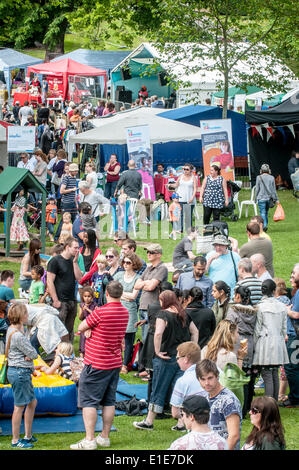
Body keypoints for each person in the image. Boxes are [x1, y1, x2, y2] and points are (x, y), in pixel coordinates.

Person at [70, 281, 129, 450]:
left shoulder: (100, 312)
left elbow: (81, 326)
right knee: (109, 401)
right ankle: (104, 437)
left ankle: (89, 440)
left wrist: (89, 330)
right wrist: (91, 330)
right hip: (114, 362)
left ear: (106, 294)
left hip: (96, 363)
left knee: (89, 401)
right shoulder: (125, 312)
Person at [133, 290, 198, 430]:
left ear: (164, 300)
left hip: (165, 357)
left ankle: (149, 421)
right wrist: (192, 350)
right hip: (182, 359)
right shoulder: (184, 314)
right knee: (179, 390)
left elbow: (158, 334)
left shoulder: (163, 314)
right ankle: (182, 423)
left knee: (158, 388)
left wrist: (156, 351)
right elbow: (195, 332)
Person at [6, 303, 39, 448]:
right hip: (20, 372)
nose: (27, 315)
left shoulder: (13, 329)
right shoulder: (18, 336)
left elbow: (30, 354)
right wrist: (29, 355)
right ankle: (15, 440)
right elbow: (33, 353)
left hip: (20, 371)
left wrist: (29, 355)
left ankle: (28, 435)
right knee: (19, 407)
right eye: (25, 313)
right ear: (20, 316)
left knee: (32, 402)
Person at [252, 279, 289, 401]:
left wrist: (254, 343)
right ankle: (273, 403)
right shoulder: (282, 307)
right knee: (274, 373)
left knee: (267, 374)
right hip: (278, 341)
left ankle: (269, 403)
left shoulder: (260, 307)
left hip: (265, 342)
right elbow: (284, 328)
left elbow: (257, 329)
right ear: (274, 291)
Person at [196, 359, 242, 450]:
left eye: (210, 378)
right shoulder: (204, 397)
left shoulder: (228, 400)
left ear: (217, 376)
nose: (207, 383)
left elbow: (234, 436)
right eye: (203, 379)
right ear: (198, 379)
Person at [226, 285, 258, 416]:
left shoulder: (233, 310)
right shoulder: (254, 311)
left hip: (238, 342)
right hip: (250, 342)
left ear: (238, 296)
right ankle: (248, 406)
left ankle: (240, 407)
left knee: (238, 375)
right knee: (248, 376)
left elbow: (228, 326)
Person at [47, 237, 83, 342]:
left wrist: (75, 263)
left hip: (72, 300)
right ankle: (58, 354)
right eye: (75, 248)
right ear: (67, 247)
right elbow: (49, 281)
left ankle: (68, 352)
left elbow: (80, 279)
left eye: (78, 248)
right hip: (60, 301)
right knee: (59, 330)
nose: (78, 250)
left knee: (69, 329)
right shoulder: (55, 261)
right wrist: (55, 300)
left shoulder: (73, 261)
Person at [114, 253, 143, 373]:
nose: (125, 265)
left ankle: (125, 364)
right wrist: (123, 296)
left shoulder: (138, 278)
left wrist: (120, 295)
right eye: (124, 262)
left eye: (128, 263)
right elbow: (112, 291)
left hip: (130, 310)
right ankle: (115, 361)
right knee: (115, 337)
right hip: (117, 308)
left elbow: (133, 297)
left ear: (134, 264)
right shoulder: (119, 275)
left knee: (128, 338)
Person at [134, 243, 168, 342]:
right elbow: (136, 286)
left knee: (149, 340)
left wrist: (143, 284)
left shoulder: (162, 268)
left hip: (152, 308)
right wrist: (146, 282)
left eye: (152, 252)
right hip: (142, 307)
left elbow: (151, 287)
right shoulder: (148, 268)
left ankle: (149, 357)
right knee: (145, 339)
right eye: (148, 252)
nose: (148, 254)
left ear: (159, 255)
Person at [170, 342, 204, 431]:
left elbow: (175, 413)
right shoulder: (216, 371)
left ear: (186, 359)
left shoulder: (183, 381)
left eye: (177, 358)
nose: (177, 361)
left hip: (196, 426)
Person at [279, 263, 299, 408]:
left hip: (295, 336)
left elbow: (296, 314)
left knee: (291, 366)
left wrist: (285, 310)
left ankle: (295, 398)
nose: (291, 276)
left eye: (294, 274)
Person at [170, 163, 197, 231]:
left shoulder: (194, 178)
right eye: (184, 169)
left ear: (191, 170)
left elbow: (195, 189)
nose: (185, 171)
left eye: (187, 169)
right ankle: (180, 228)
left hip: (189, 199)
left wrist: (192, 197)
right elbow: (176, 185)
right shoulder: (181, 176)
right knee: (180, 214)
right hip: (180, 198)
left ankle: (189, 229)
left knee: (188, 216)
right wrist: (170, 185)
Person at [255, 163, 279, 232]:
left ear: (261, 170)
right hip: (269, 198)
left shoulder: (258, 177)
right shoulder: (271, 178)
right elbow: (273, 190)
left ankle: (264, 226)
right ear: (269, 170)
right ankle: (265, 225)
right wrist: (276, 199)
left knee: (262, 212)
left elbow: (257, 189)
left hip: (261, 198)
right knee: (266, 212)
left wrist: (255, 198)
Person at [78, 286, 97, 357]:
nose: (87, 298)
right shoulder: (81, 305)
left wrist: (88, 309)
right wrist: (83, 310)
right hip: (84, 324)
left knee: (90, 340)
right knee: (82, 340)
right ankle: (82, 356)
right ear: (82, 297)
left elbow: (95, 315)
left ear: (92, 297)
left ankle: (89, 355)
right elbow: (80, 317)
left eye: (89, 296)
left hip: (91, 325)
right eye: (85, 296)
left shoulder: (94, 305)